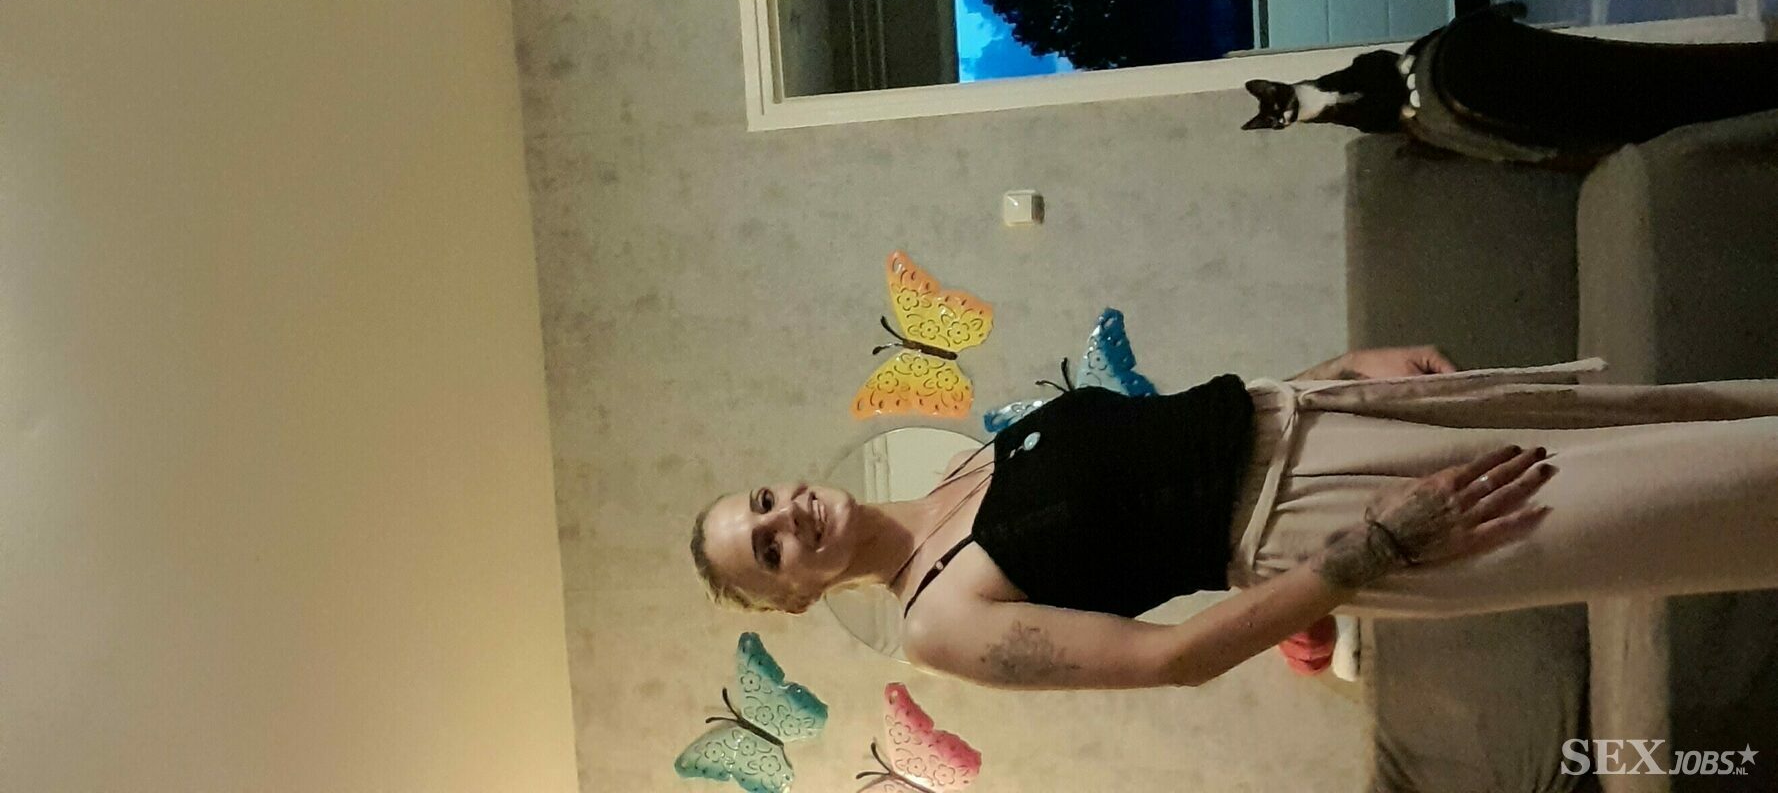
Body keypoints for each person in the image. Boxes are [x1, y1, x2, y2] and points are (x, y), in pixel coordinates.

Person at [689, 346, 1778, 691]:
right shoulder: (936, 621)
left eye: (763, 502)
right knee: (1703, 498)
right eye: (767, 550)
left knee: (1690, 424)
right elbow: (1172, 660)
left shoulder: (971, 458)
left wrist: (1338, 368)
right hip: (1336, 521)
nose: (788, 519)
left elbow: (1177, 431)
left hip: (1321, 416)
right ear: (793, 598)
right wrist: (1373, 548)